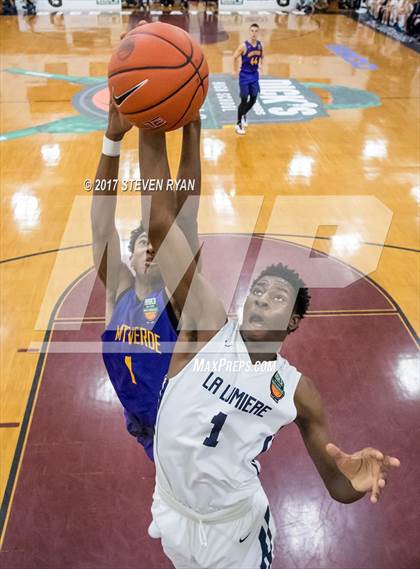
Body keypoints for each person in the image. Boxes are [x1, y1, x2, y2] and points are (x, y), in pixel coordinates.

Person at [137, 128, 401, 569]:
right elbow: (166, 226)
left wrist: (354, 481)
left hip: (235, 531)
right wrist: (162, 125)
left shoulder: (298, 391)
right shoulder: (208, 329)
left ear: (294, 321)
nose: (261, 299)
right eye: (258, 290)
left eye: (277, 297)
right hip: (171, 513)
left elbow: (337, 486)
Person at [90, 102, 202, 463]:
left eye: (155, 241)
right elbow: (101, 226)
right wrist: (113, 138)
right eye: (142, 243)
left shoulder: (173, 295)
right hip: (147, 432)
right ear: (129, 257)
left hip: (188, 433)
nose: (151, 247)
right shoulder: (119, 291)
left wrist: (189, 129)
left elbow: (177, 216)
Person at [233, 23, 263, 135]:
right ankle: (238, 124)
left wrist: (260, 64)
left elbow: (261, 56)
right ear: (249, 32)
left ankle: (244, 114)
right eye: (252, 31)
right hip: (245, 76)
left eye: (256, 31)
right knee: (244, 100)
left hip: (254, 76)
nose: (254, 33)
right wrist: (234, 70)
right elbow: (234, 57)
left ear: (258, 32)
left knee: (254, 99)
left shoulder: (260, 45)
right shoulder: (244, 46)